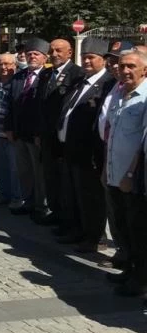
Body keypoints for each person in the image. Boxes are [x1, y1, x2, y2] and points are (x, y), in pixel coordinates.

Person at [56, 38, 116, 252]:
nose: (87, 61)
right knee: (74, 194)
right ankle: (77, 230)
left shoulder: (108, 84)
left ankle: (95, 238)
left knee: (91, 197)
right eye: (84, 57)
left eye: (91, 57)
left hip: (89, 152)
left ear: (103, 59)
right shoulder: (81, 80)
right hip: (71, 149)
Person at [101, 48, 147, 297]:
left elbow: (142, 143)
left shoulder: (144, 97)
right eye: (122, 66)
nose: (125, 70)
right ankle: (129, 270)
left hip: (133, 179)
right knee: (121, 227)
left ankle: (140, 280)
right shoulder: (119, 93)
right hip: (113, 172)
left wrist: (130, 175)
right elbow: (112, 134)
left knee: (137, 230)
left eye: (131, 66)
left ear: (144, 70)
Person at [36, 38, 84, 226]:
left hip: (63, 138)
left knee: (65, 181)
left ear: (70, 52)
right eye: (51, 51)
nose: (54, 54)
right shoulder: (46, 73)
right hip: (47, 136)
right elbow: (40, 104)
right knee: (50, 177)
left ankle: (67, 217)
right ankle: (55, 211)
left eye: (59, 50)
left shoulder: (77, 74)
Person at [4, 38, 51, 217]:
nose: (32, 57)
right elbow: (10, 103)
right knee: (24, 171)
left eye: (36, 54)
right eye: (29, 54)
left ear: (44, 57)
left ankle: (41, 206)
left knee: (39, 173)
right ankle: (28, 201)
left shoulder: (48, 76)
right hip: (18, 133)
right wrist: (9, 127)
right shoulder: (19, 76)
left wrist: (40, 133)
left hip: (36, 134)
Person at [0, 53, 21, 208]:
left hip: (11, 134)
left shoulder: (18, 83)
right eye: (1, 64)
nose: (3, 67)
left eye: (7, 64)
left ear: (15, 65)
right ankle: (4, 194)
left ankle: (17, 197)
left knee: (14, 168)